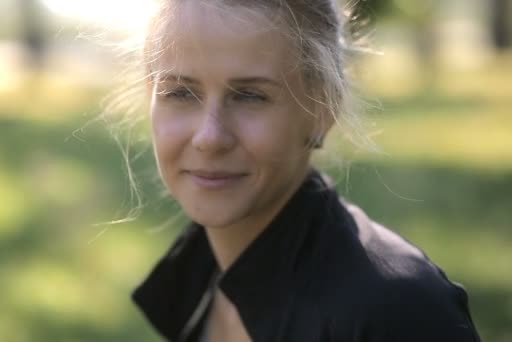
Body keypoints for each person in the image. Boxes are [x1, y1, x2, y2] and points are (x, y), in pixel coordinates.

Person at [128, 0, 481, 341]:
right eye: (181, 93)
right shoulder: (196, 280)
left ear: (321, 110)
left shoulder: (395, 311)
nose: (209, 138)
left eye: (250, 95)